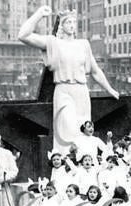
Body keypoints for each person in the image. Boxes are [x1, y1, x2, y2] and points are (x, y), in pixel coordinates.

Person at [18, 6, 119, 155]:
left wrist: (110, 89)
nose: (72, 25)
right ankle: (65, 164)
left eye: (74, 22)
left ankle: (84, 164)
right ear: (61, 25)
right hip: (63, 91)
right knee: (66, 129)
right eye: (68, 22)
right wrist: (39, 14)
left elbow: (95, 71)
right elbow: (23, 36)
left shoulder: (83, 44)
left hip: (81, 91)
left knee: (83, 129)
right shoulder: (53, 43)